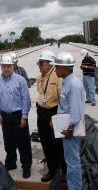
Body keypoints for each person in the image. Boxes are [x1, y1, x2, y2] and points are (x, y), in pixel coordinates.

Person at [0, 54, 32, 178]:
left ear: (13, 65)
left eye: (8, 66)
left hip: (18, 115)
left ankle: (26, 166)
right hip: (5, 116)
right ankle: (11, 163)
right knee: (8, 142)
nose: (6, 69)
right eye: (4, 66)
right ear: (1, 66)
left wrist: (24, 117)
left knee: (23, 142)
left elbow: (26, 99)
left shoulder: (20, 80)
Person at [51, 52, 85, 190]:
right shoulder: (67, 81)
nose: (56, 69)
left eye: (57, 67)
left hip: (71, 129)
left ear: (66, 68)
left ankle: (75, 188)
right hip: (67, 127)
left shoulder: (74, 85)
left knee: (72, 162)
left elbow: (76, 111)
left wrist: (70, 129)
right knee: (70, 160)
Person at [36, 50, 66, 183]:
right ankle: (52, 170)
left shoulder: (58, 77)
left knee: (58, 144)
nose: (39, 65)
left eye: (41, 63)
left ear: (49, 63)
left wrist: (56, 118)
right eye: (39, 63)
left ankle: (64, 172)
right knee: (46, 143)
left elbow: (62, 100)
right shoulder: (40, 77)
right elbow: (40, 93)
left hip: (54, 112)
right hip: (41, 112)